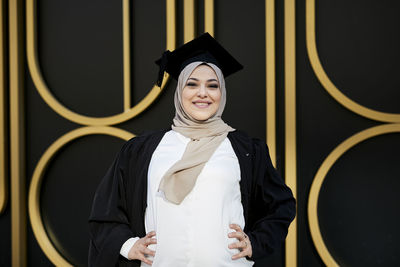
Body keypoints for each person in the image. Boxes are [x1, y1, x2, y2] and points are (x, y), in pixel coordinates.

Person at [88, 33, 296, 267]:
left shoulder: (246, 150)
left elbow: (281, 205)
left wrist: (255, 242)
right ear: (179, 92)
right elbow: (106, 210)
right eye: (192, 84)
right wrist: (127, 245)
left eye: (212, 85)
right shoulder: (143, 150)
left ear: (222, 93)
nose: (203, 93)